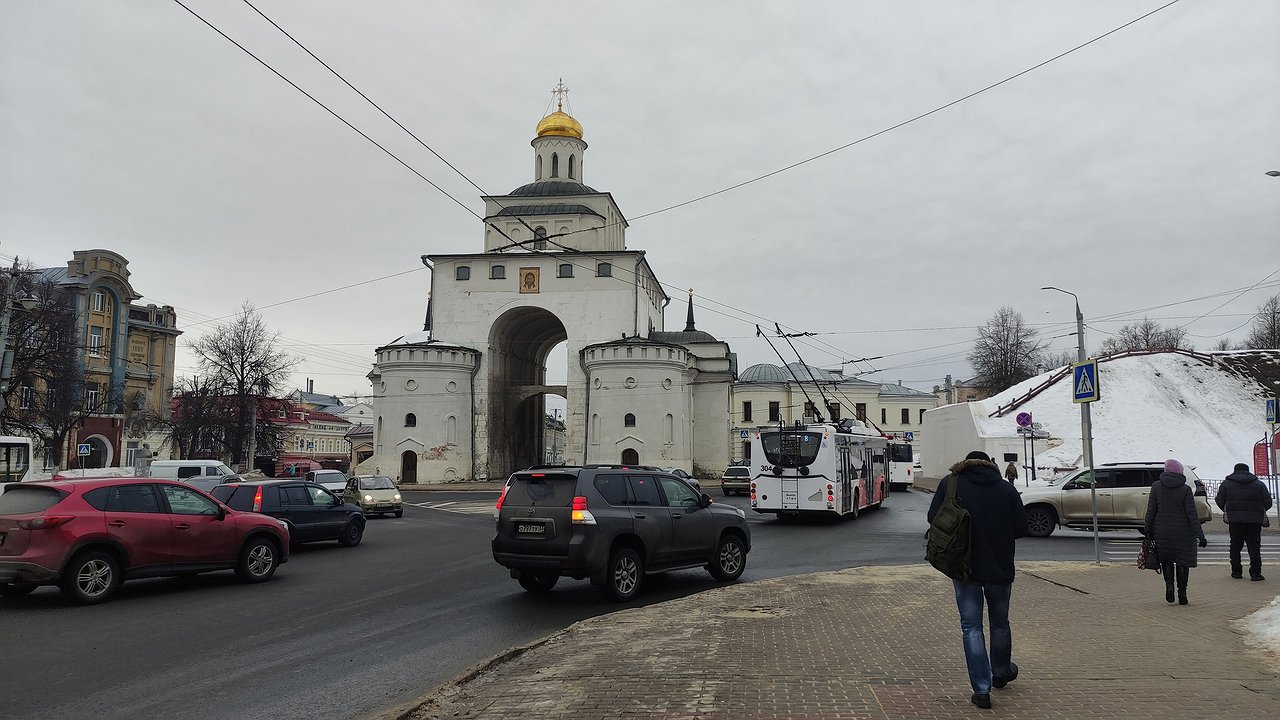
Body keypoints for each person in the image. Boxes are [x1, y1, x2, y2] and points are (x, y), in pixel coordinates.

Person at [928, 450, 1028, 710]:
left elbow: (933, 518)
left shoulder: (950, 484)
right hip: (1000, 567)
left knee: (971, 627)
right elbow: (1021, 527)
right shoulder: (1006, 489)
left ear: (966, 464)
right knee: (1000, 623)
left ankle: (982, 690)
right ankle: (1001, 672)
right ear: (990, 465)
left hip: (964, 566)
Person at [1144, 458, 1207, 605]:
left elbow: (1151, 510)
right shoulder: (1185, 489)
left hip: (1162, 531)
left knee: (1166, 560)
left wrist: (1147, 529)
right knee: (1182, 562)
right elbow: (1191, 514)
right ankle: (1182, 593)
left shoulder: (1156, 487)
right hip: (1183, 533)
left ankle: (1169, 586)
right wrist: (1200, 535)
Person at [1215, 462, 1273, 581]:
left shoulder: (1226, 484)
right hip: (1254, 522)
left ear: (1235, 470)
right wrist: (1257, 511)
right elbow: (1268, 502)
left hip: (1235, 521)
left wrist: (1230, 511)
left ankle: (1236, 572)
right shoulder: (1259, 484)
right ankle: (1255, 573)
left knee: (1235, 546)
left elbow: (1219, 500)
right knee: (1254, 547)